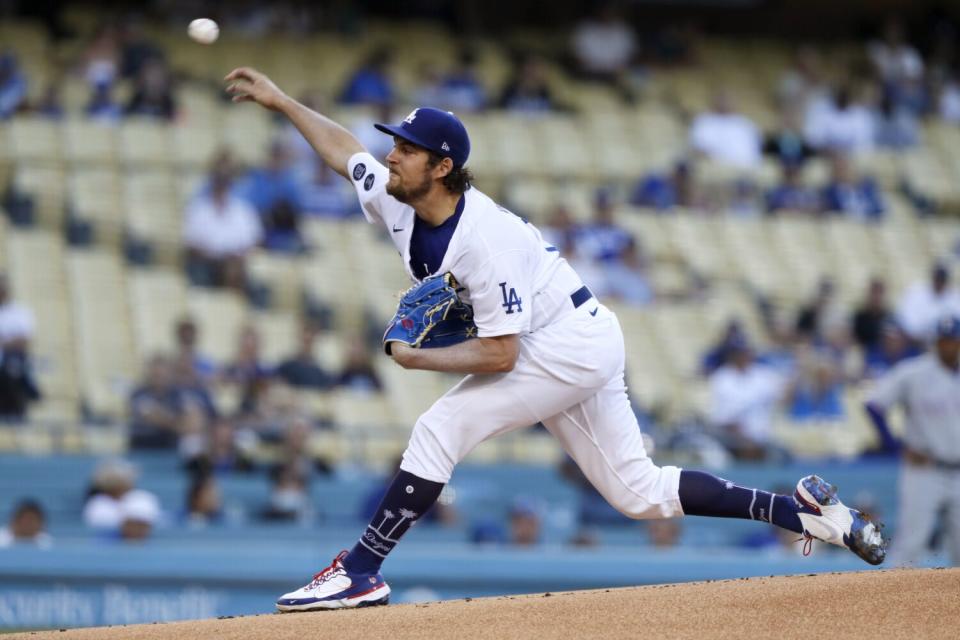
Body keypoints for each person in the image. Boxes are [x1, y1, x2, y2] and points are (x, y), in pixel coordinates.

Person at [224, 66, 886, 612]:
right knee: (638, 493)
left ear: (442, 165)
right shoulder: (401, 196)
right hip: (573, 335)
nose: (391, 154)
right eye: (395, 144)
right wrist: (283, 101)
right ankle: (805, 516)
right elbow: (348, 155)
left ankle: (362, 571)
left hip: (565, 342)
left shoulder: (484, 239)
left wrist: (417, 356)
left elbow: (503, 355)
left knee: (439, 427)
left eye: (406, 148)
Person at [865, 316, 960, 566]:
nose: (948, 345)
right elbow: (874, 406)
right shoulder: (914, 372)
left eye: (953, 340)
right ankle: (895, 604)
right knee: (911, 546)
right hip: (924, 469)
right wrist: (896, 447)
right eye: (944, 340)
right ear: (936, 342)